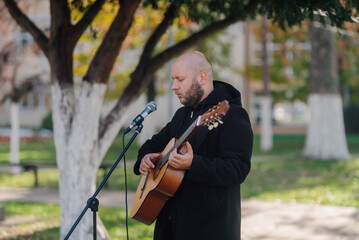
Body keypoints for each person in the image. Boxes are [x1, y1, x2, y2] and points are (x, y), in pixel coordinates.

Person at [133, 51, 253, 240]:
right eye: (173, 79)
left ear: (202, 77)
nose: (174, 86)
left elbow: (238, 169)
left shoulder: (232, 115)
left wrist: (192, 164)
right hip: (170, 225)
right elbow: (152, 144)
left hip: (210, 227)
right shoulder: (182, 115)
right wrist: (145, 158)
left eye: (180, 79)